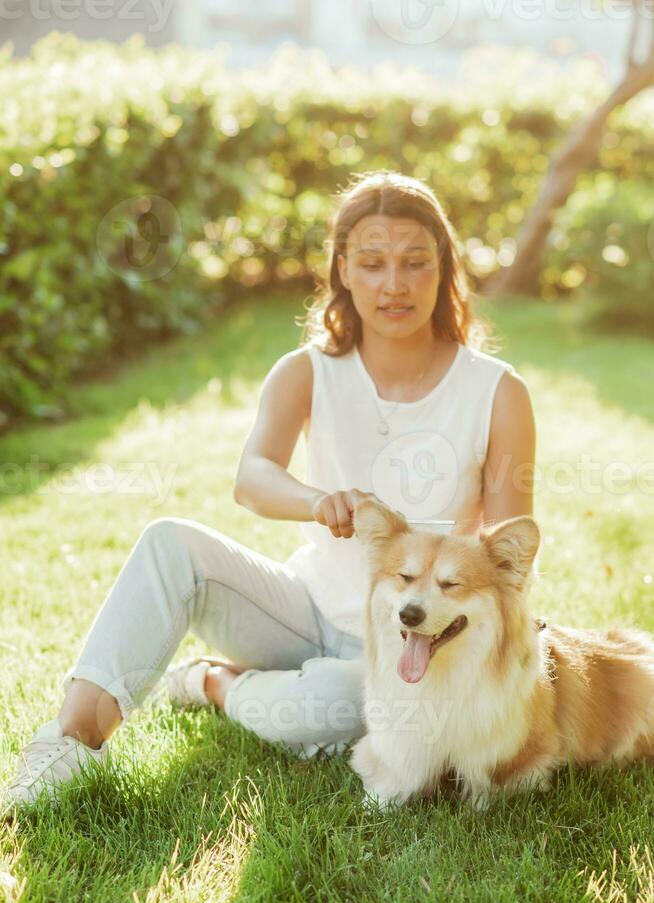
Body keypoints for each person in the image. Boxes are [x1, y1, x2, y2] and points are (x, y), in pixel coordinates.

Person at [2, 170, 535, 808]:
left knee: (336, 704)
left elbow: (508, 559)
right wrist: (317, 500)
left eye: (415, 263)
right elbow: (252, 476)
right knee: (170, 543)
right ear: (343, 269)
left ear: (443, 268)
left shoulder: (497, 391)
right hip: (303, 606)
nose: (394, 284)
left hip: (416, 639)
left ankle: (215, 686)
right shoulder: (306, 371)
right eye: (372, 263)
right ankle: (68, 743)